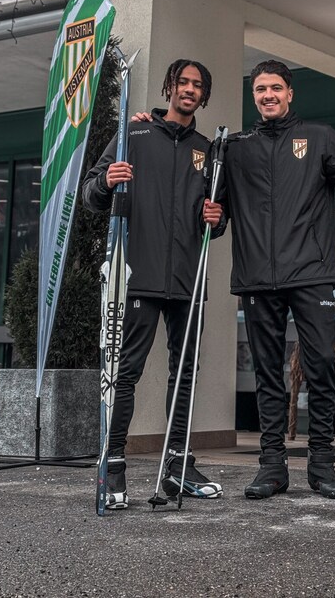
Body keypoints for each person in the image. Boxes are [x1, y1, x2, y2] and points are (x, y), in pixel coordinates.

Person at [223, 60, 335, 500]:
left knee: (320, 367)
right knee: (269, 375)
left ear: (290, 93)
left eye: (275, 88)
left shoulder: (320, 138)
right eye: (260, 89)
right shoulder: (234, 148)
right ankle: (272, 467)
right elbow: (212, 208)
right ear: (255, 96)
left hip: (310, 274)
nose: (268, 95)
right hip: (256, 277)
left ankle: (322, 464)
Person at [83, 59, 224, 509]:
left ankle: (177, 466)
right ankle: (115, 467)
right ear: (169, 87)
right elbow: (90, 194)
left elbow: (217, 218)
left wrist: (216, 220)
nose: (188, 90)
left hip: (187, 278)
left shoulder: (209, 149)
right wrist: (106, 180)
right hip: (138, 276)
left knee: (183, 375)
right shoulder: (134, 134)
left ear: (203, 95)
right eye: (182, 82)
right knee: (126, 374)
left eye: (197, 85)